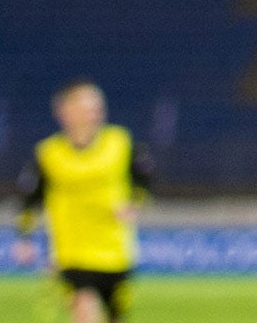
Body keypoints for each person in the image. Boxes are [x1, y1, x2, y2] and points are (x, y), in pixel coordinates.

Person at [14, 80, 153, 323]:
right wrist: (24, 238)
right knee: (83, 310)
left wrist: (133, 204)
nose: (96, 112)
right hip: (72, 252)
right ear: (65, 112)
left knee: (115, 317)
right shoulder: (49, 153)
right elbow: (29, 199)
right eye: (87, 107)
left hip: (115, 250)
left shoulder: (120, 143)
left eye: (98, 106)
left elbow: (145, 179)